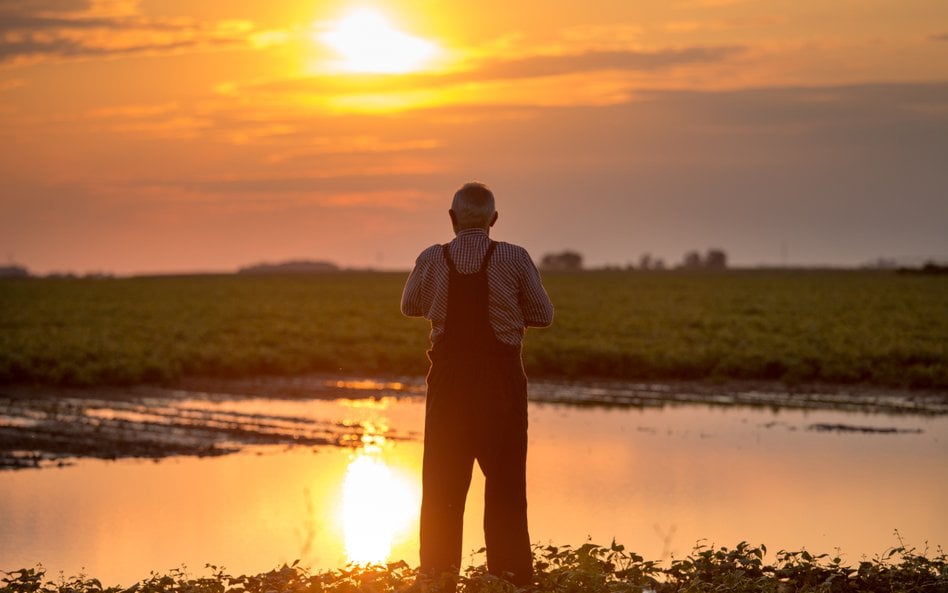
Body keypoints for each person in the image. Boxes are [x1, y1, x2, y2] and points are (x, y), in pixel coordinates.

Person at [400, 182, 554, 587]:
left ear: (451, 220)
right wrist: (510, 309)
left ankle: (437, 579)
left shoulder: (432, 258)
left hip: (448, 387)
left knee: (441, 490)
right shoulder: (514, 257)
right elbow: (543, 314)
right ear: (494, 220)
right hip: (501, 386)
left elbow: (409, 305)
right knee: (505, 489)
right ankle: (510, 581)